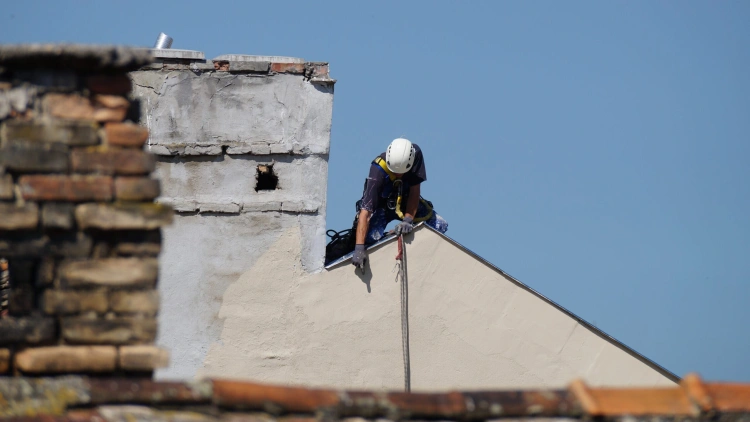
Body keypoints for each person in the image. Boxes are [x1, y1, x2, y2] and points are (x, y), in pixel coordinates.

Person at [351, 138, 448, 269]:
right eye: (394, 171)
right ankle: (386, 244)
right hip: (382, 208)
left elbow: (414, 191)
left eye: (400, 172)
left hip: (406, 201)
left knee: (440, 225)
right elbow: (366, 213)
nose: (397, 174)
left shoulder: (415, 155)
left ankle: (417, 259)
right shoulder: (377, 171)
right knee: (370, 239)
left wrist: (408, 220)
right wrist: (359, 247)